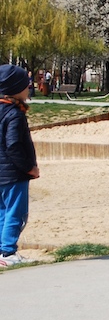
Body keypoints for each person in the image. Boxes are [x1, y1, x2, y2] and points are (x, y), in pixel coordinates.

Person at [0, 65, 39, 268]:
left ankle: (2, 251)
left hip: (2, 173)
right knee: (15, 213)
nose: (29, 88)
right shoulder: (14, 114)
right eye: (26, 85)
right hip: (13, 174)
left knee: (2, 212)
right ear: (15, 88)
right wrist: (28, 167)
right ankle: (8, 252)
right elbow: (13, 145)